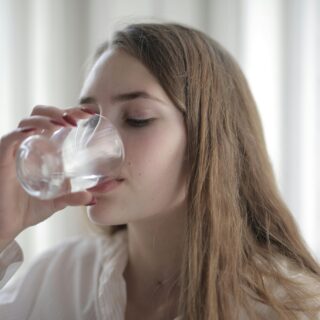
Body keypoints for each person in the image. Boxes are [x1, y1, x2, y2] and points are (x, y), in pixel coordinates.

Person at [0, 22, 319, 320]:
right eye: (89, 119)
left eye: (137, 118)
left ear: (207, 142)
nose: (94, 142)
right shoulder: (59, 278)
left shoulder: (288, 306)